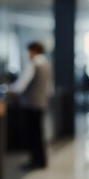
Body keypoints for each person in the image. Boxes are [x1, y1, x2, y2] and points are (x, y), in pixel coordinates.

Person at [8, 41, 53, 169]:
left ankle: (35, 160)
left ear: (33, 51)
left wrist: (12, 90)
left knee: (32, 133)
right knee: (39, 132)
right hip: (41, 102)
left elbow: (22, 84)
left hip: (31, 103)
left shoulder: (34, 64)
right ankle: (41, 160)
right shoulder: (46, 64)